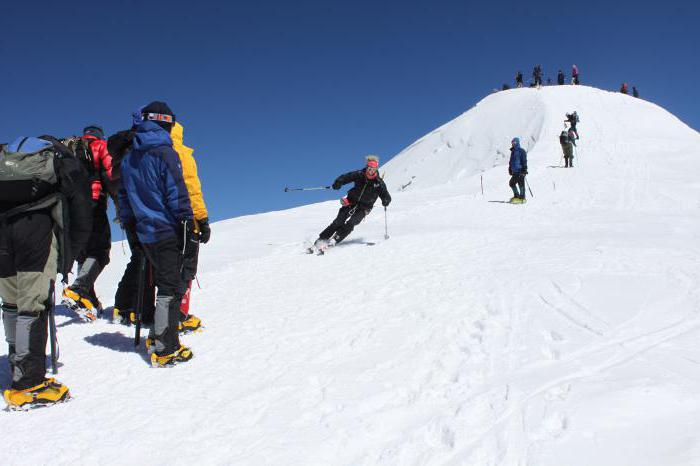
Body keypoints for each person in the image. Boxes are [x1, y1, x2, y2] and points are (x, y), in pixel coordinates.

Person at [1, 136, 92, 409]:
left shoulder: (7, 160)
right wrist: (68, 259)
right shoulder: (61, 159)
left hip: (1, 234)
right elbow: (80, 211)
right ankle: (29, 384)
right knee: (33, 304)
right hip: (35, 231)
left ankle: (19, 363)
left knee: (12, 303)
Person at [118, 101, 195, 367]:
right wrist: (186, 219)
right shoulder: (165, 152)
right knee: (170, 287)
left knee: (161, 283)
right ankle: (166, 347)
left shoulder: (130, 157)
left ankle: (157, 336)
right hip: (166, 229)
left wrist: (130, 222)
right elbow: (176, 191)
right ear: (167, 123)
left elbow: (124, 196)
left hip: (143, 231)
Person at [61, 126, 114, 321]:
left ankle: (88, 299)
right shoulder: (100, 145)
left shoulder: (68, 149)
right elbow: (111, 172)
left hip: (69, 207)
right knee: (100, 251)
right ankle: (79, 289)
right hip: (93, 202)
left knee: (84, 251)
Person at [170, 121, 211, 333]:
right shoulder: (181, 154)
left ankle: (162, 315)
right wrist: (202, 220)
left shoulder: (148, 154)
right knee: (185, 269)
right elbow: (192, 189)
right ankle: (179, 315)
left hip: (159, 223)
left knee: (166, 270)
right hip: (186, 222)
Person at [312, 156, 391, 252]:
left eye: (373, 169)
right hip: (351, 202)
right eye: (369, 168)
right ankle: (321, 239)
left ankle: (335, 239)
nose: (371, 171)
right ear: (367, 167)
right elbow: (346, 177)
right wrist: (339, 182)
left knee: (352, 222)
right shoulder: (359, 174)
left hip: (364, 208)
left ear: (376, 169)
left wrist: (386, 200)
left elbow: (385, 194)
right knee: (338, 221)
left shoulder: (378, 183)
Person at [508, 137, 528, 203]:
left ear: (517, 142)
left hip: (520, 171)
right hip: (515, 171)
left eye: (514, 142)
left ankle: (522, 197)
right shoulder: (513, 152)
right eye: (512, 143)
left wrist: (524, 169)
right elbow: (511, 161)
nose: (513, 144)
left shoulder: (521, 151)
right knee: (512, 183)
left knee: (519, 183)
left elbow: (524, 161)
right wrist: (510, 168)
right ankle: (517, 195)